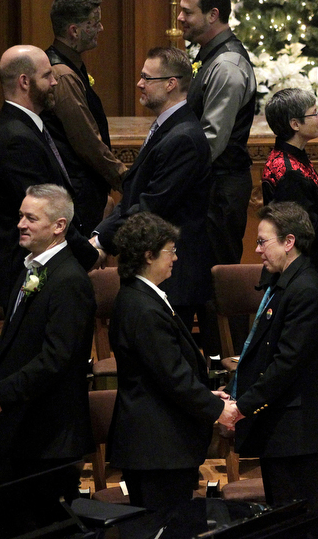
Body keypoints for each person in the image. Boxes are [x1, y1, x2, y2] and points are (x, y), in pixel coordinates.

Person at [107, 211, 240, 512]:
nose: (176, 258)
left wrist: (206, 396)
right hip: (157, 448)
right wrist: (218, 409)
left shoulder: (142, 297)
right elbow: (172, 377)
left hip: (158, 444)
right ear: (148, 255)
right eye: (171, 251)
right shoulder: (143, 308)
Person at [0, 184, 95, 492]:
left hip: (48, 438)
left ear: (59, 226)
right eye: (20, 216)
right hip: (20, 430)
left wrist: (5, 391)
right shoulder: (34, 267)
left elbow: (58, 357)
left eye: (30, 218)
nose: (20, 224)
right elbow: (11, 343)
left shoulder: (70, 280)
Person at [93, 47, 213, 334]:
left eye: (147, 77)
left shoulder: (183, 137)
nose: (139, 83)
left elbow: (151, 207)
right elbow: (134, 196)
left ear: (171, 83)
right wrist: (99, 235)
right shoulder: (169, 128)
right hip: (153, 272)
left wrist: (100, 244)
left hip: (172, 276)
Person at [229, 202, 318, 512]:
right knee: (281, 517)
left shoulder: (305, 289)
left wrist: (242, 406)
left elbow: (287, 363)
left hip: (295, 430)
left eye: (263, 241)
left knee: (296, 521)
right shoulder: (285, 283)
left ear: (289, 242)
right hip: (280, 425)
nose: (258, 249)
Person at [0, 45, 99, 309]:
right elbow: (46, 214)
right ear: (24, 82)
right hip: (30, 281)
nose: (54, 81)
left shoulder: (26, 127)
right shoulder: (17, 139)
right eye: (47, 75)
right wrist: (89, 255)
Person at [180, 0, 256, 268]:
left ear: (212, 15)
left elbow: (212, 139)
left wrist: (176, 172)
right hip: (210, 185)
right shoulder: (211, 53)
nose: (180, 17)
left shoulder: (227, 66)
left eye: (188, 12)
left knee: (217, 282)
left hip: (220, 189)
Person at [43, 0, 126, 234]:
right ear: (74, 31)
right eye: (95, 22)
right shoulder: (63, 74)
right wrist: (123, 179)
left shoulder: (70, 65)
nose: (101, 28)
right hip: (75, 192)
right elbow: (86, 139)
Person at [262, 88, 318, 289]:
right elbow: (311, 231)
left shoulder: (292, 157)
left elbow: (313, 212)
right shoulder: (290, 173)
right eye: (314, 113)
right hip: (305, 278)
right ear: (295, 124)